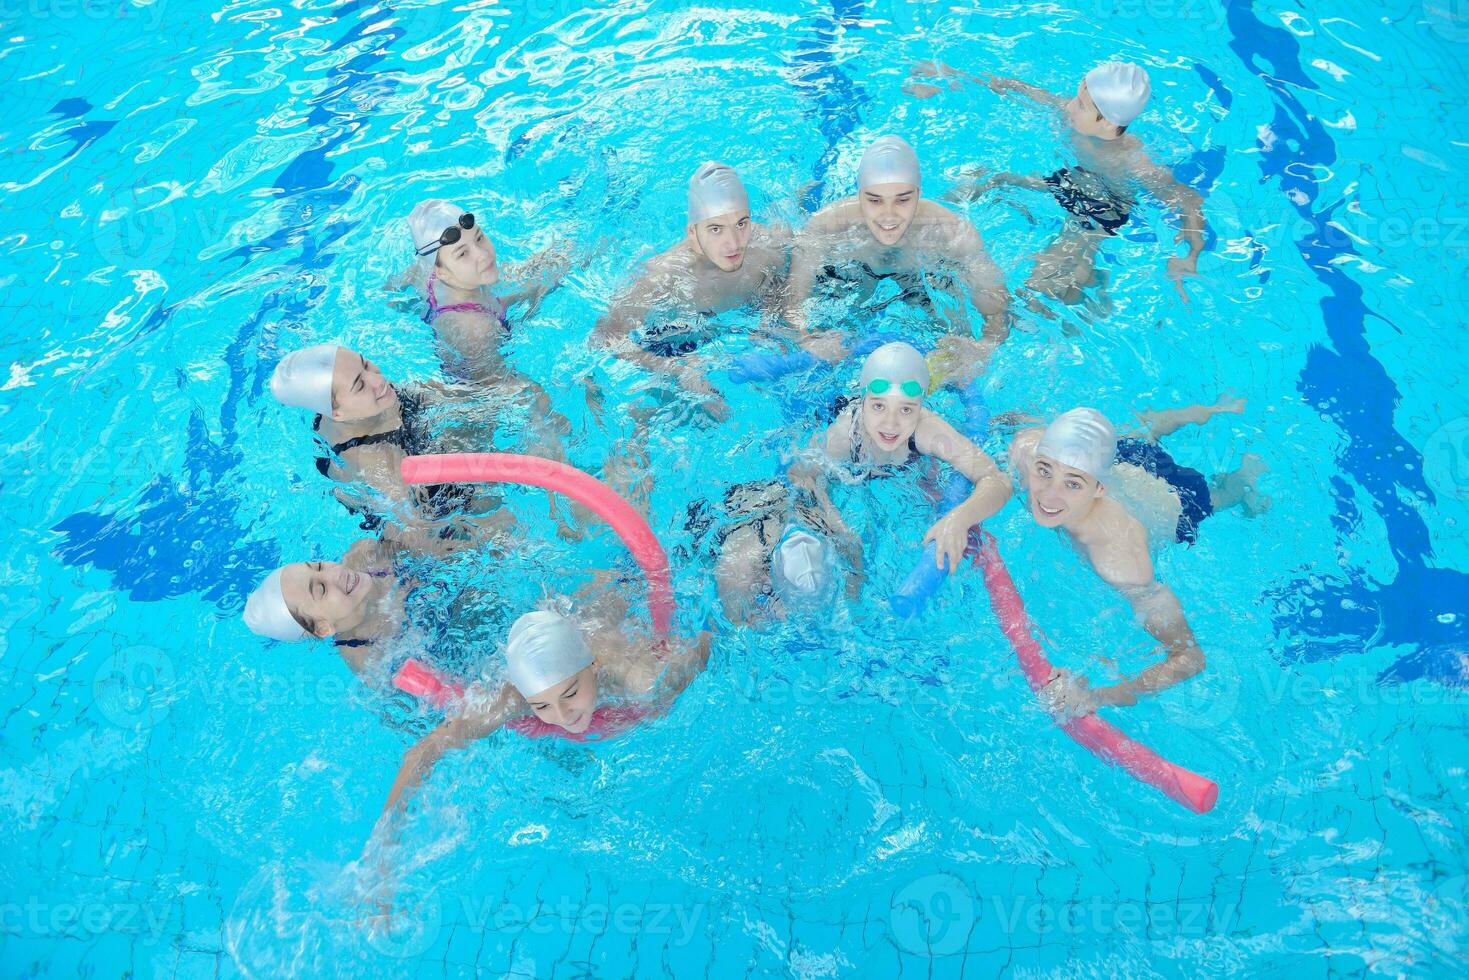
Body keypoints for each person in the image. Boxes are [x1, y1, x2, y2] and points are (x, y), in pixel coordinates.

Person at [368, 588, 711, 832]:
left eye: (571, 693)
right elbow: (425, 751)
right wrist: (382, 854)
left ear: (592, 666)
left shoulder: (640, 679)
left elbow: (707, 641)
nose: (562, 716)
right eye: (542, 705)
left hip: (616, 599)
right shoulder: (513, 698)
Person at [1005, 403, 1268, 716]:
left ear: (1099, 488)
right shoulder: (1031, 450)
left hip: (1177, 500)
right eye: (1043, 472)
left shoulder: (1120, 562)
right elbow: (1022, 432)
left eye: (1071, 484)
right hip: (1125, 457)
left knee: (1216, 497)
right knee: (1139, 434)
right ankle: (1211, 407)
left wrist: (1097, 697)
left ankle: (1246, 478)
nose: (1048, 495)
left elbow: (1190, 658)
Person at [914, 61, 1206, 305]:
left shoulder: (1133, 160)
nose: (1067, 106)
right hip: (1069, 179)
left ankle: (1089, 285)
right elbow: (1016, 89)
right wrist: (951, 74)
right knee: (989, 178)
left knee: (1042, 285)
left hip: (1100, 210)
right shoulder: (1076, 116)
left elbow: (1189, 200)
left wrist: (1189, 256)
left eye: (1079, 104)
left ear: (1107, 123)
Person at [783, 136, 1011, 385]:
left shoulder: (953, 234)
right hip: (852, 273)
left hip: (922, 276)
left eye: (903, 199)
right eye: (874, 200)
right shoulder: (826, 227)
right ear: (859, 195)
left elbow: (997, 314)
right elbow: (793, 302)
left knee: (954, 341)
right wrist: (806, 339)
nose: (888, 216)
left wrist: (982, 350)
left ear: (919, 194)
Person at [593, 161, 792, 422]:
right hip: (667, 342)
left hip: (721, 334)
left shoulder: (769, 250)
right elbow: (603, 338)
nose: (733, 243)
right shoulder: (659, 279)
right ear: (693, 232)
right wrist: (676, 370)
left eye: (741, 224)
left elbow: (779, 284)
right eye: (716, 229)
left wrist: (769, 321)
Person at [269, 343, 516, 551]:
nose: (377, 380)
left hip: (406, 452)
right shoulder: (371, 462)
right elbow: (417, 537)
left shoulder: (368, 399)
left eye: (365, 364)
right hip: (416, 514)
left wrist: (509, 394)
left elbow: (472, 398)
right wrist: (489, 533)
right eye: (359, 384)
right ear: (336, 413)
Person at [791, 342, 1011, 571]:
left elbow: (997, 479)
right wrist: (839, 527)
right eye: (878, 406)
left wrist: (960, 519)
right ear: (864, 401)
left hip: (914, 462)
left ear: (920, 408)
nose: (891, 423)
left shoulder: (928, 430)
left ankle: (946, 360)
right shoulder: (843, 436)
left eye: (906, 409)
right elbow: (800, 475)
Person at [397, 199, 571, 382]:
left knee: (554, 265)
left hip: (464, 302)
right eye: (462, 253)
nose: (483, 254)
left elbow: (399, 283)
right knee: (546, 280)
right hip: (472, 386)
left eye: (479, 238)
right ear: (441, 272)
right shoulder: (475, 330)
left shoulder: (425, 272)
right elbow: (499, 386)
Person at [685, 478, 864, 626]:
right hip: (738, 498)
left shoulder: (829, 529)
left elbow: (854, 546)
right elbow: (733, 624)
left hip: (787, 492)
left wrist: (853, 596)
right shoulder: (741, 559)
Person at [242, 538, 411, 682]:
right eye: (322, 589)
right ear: (323, 628)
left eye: (319, 567)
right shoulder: (371, 662)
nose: (336, 572)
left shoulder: (364, 556)